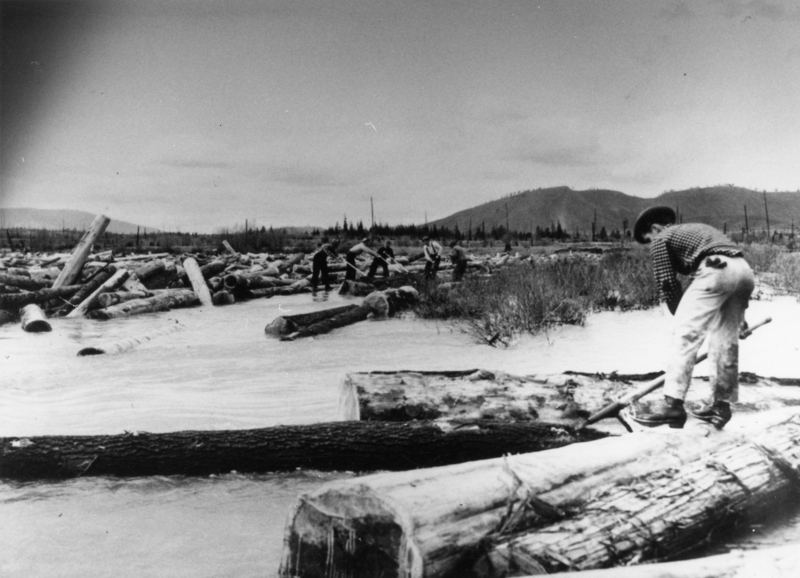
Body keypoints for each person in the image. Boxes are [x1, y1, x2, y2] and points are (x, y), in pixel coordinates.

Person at [631, 206, 754, 430]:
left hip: (715, 270)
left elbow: (667, 283)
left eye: (648, 239)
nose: (651, 244)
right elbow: (732, 273)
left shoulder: (661, 239)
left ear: (655, 228)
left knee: (684, 335)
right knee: (725, 341)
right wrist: (741, 320)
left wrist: (681, 316)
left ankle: (673, 405)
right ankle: (720, 407)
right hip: (744, 271)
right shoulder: (695, 229)